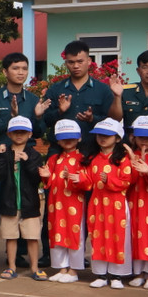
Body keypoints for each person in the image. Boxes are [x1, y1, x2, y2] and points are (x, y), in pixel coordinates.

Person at [80, 119, 134, 289]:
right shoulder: (93, 158)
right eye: (100, 135)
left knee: (118, 237)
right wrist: (78, 179)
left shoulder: (123, 159)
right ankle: (101, 274)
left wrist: (109, 179)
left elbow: (126, 182)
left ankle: (117, 275)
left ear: (117, 138)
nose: (103, 138)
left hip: (116, 204)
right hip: (97, 204)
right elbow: (88, 181)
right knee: (98, 236)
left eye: (107, 135)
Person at [40, 41, 121, 155]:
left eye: (80, 61)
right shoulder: (55, 89)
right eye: (71, 62)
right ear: (66, 63)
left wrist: (93, 119)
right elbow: (45, 121)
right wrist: (60, 111)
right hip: (59, 152)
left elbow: (112, 122)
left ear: (89, 61)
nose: (76, 66)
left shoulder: (103, 90)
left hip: (92, 152)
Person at [0, 116, 43, 281]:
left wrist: (27, 162)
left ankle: (34, 267)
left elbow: (37, 179)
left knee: (32, 236)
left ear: (30, 134)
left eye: (23, 132)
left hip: (29, 204)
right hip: (9, 202)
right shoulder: (4, 152)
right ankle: (11, 266)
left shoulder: (34, 154)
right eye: (15, 132)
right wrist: (5, 159)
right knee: (11, 235)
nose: (19, 135)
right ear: (9, 134)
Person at [43, 120, 88, 282]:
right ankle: (62, 268)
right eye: (63, 138)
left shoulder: (83, 159)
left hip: (74, 202)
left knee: (74, 233)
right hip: (56, 203)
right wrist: (46, 176)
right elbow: (48, 182)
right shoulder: (54, 159)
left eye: (71, 137)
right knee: (57, 233)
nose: (67, 141)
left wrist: (78, 179)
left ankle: (74, 270)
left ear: (79, 138)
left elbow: (88, 182)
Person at [125, 116, 148, 289]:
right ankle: (138, 272)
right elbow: (127, 180)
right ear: (134, 137)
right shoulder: (128, 155)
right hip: (134, 201)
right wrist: (132, 163)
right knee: (135, 234)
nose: (145, 140)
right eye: (141, 136)